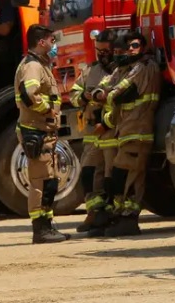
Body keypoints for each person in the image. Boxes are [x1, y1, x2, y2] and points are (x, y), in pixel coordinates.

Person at [95, 31, 161, 237]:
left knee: (130, 176)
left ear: (143, 47)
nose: (130, 50)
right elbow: (102, 89)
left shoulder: (144, 67)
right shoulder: (125, 68)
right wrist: (101, 94)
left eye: (135, 46)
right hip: (125, 131)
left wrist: (105, 94)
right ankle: (120, 215)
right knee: (119, 176)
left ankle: (129, 218)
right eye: (127, 47)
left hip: (138, 131)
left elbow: (118, 94)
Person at [14, 24, 69, 244]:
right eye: (52, 41)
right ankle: (40, 229)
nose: (54, 45)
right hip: (35, 130)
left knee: (50, 181)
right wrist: (47, 109)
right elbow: (29, 94)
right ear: (41, 42)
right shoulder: (32, 66)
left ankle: (48, 224)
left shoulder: (41, 65)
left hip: (44, 130)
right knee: (40, 182)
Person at [70, 29, 116, 233]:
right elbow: (74, 94)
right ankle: (93, 212)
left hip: (112, 132)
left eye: (106, 51)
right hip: (91, 134)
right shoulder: (91, 70)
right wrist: (84, 97)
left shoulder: (120, 72)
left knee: (110, 176)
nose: (102, 55)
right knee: (88, 174)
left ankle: (109, 216)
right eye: (99, 51)